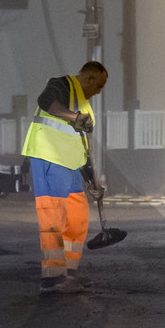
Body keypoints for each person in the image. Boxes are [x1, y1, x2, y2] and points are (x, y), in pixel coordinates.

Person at [23, 60, 108, 294]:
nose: (99, 91)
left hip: (71, 166)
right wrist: (72, 116)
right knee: (54, 218)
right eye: (99, 85)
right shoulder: (62, 84)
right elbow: (46, 102)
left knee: (78, 218)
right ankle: (52, 278)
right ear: (88, 78)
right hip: (49, 157)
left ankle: (69, 272)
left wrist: (92, 180)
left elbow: (83, 147)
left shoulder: (86, 108)